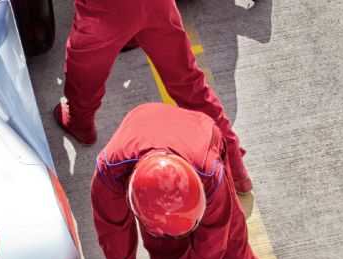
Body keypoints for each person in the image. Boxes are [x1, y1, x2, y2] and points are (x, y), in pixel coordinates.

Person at [92, 103, 290, 259]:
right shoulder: (110, 171)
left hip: (199, 135)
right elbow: (112, 226)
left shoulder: (210, 173)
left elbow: (216, 230)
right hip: (146, 129)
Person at [52, 0, 254, 195]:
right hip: (157, 5)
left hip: (105, 11)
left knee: (84, 71)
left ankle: (81, 122)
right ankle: (235, 168)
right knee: (189, 84)